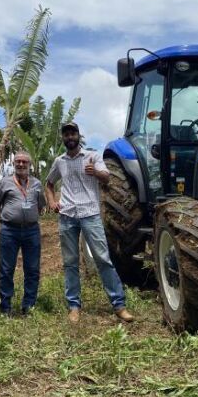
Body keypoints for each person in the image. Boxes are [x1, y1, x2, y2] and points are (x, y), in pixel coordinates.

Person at [45, 123, 134, 324]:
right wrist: (51, 201)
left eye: (73, 133)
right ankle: (74, 306)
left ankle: (119, 305)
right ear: (63, 138)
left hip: (90, 214)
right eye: (66, 134)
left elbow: (107, 178)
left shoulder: (92, 156)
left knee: (103, 259)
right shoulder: (59, 162)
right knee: (70, 263)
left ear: (78, 135)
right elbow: (49, 183)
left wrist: (95, 172)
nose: (70, 137)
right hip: (67, 215)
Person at [0, 151, 46, 316]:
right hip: (9, 230)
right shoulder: (5, 183)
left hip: (31, 230)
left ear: (30, 165)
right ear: (13, 164)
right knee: (6, 269)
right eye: (18, 161)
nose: (21, 164)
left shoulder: (36, 184)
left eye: (24, 162)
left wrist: (28, 216)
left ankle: (28, 305)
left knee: (32, 269)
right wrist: (3, 220)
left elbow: (40, 205)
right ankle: (5, 307)